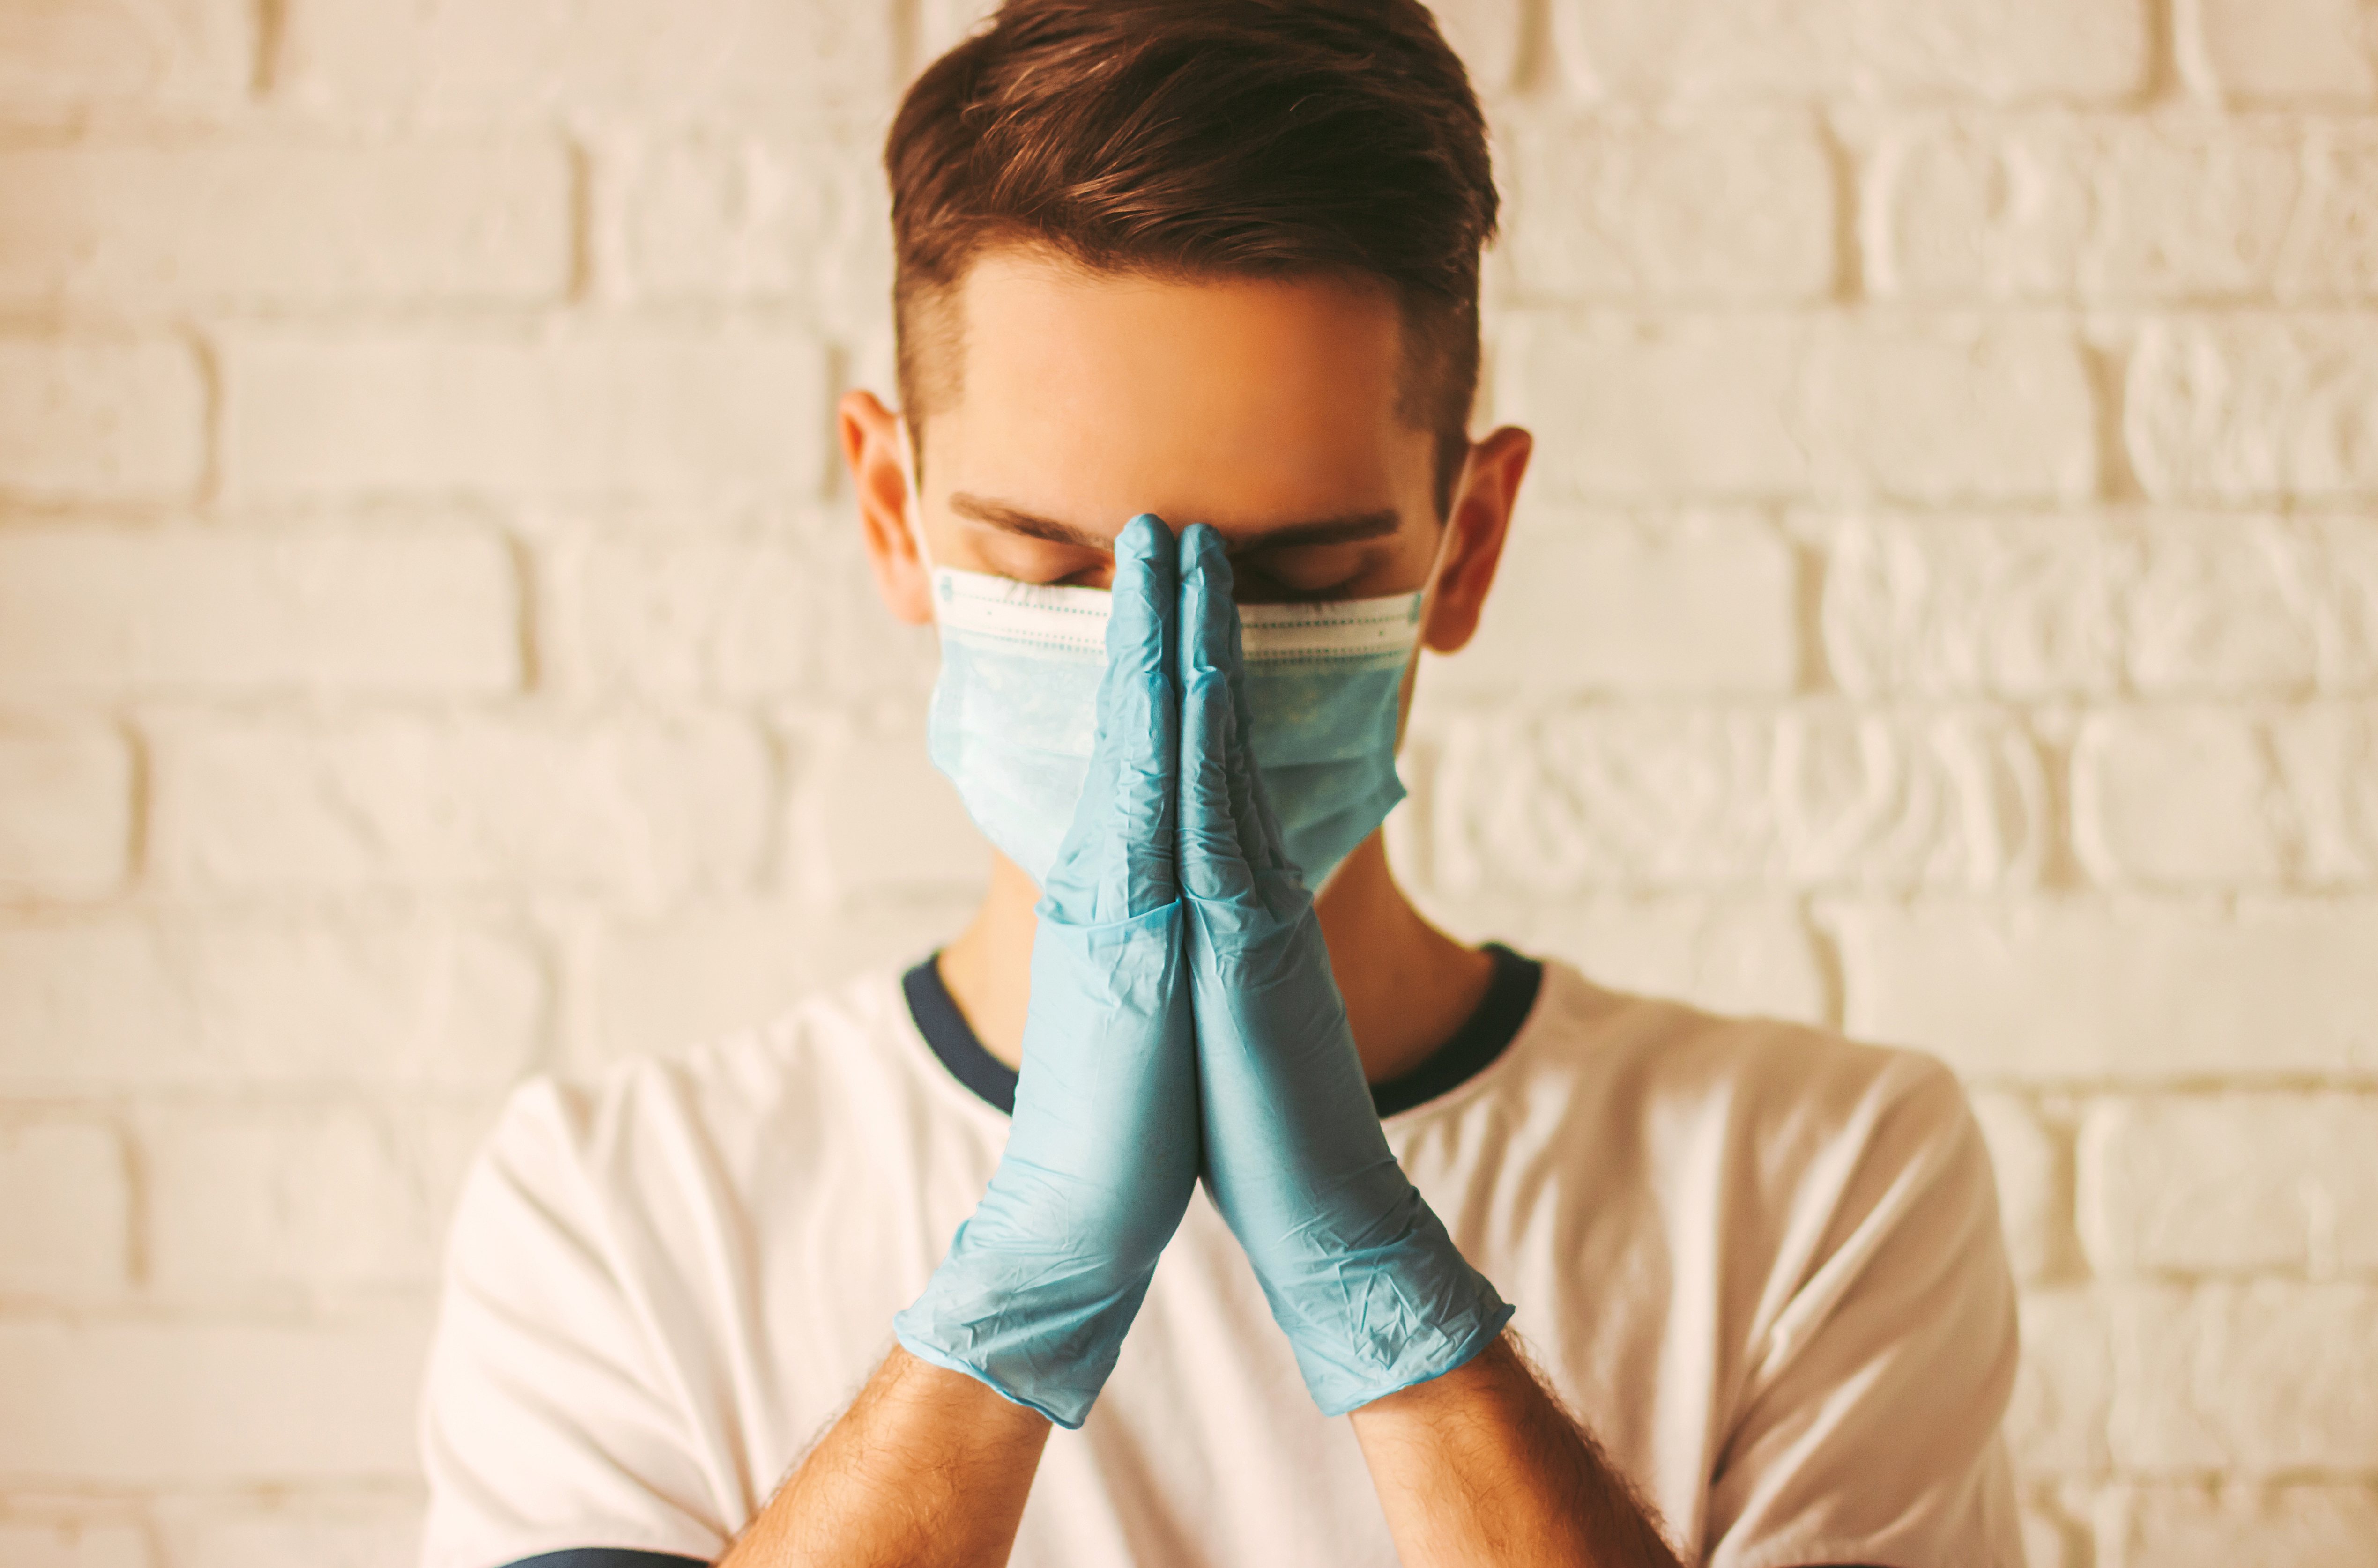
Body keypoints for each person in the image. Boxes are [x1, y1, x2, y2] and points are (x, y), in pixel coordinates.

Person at [417, 3, 2023, 1565]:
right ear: (892, 514)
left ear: (1463, 544)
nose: (1155, 673)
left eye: (1294, 572)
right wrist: (1008, 1310)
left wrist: (1387, 1301)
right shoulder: (620, 1208)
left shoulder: (1822, 1179)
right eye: (1049, 563)